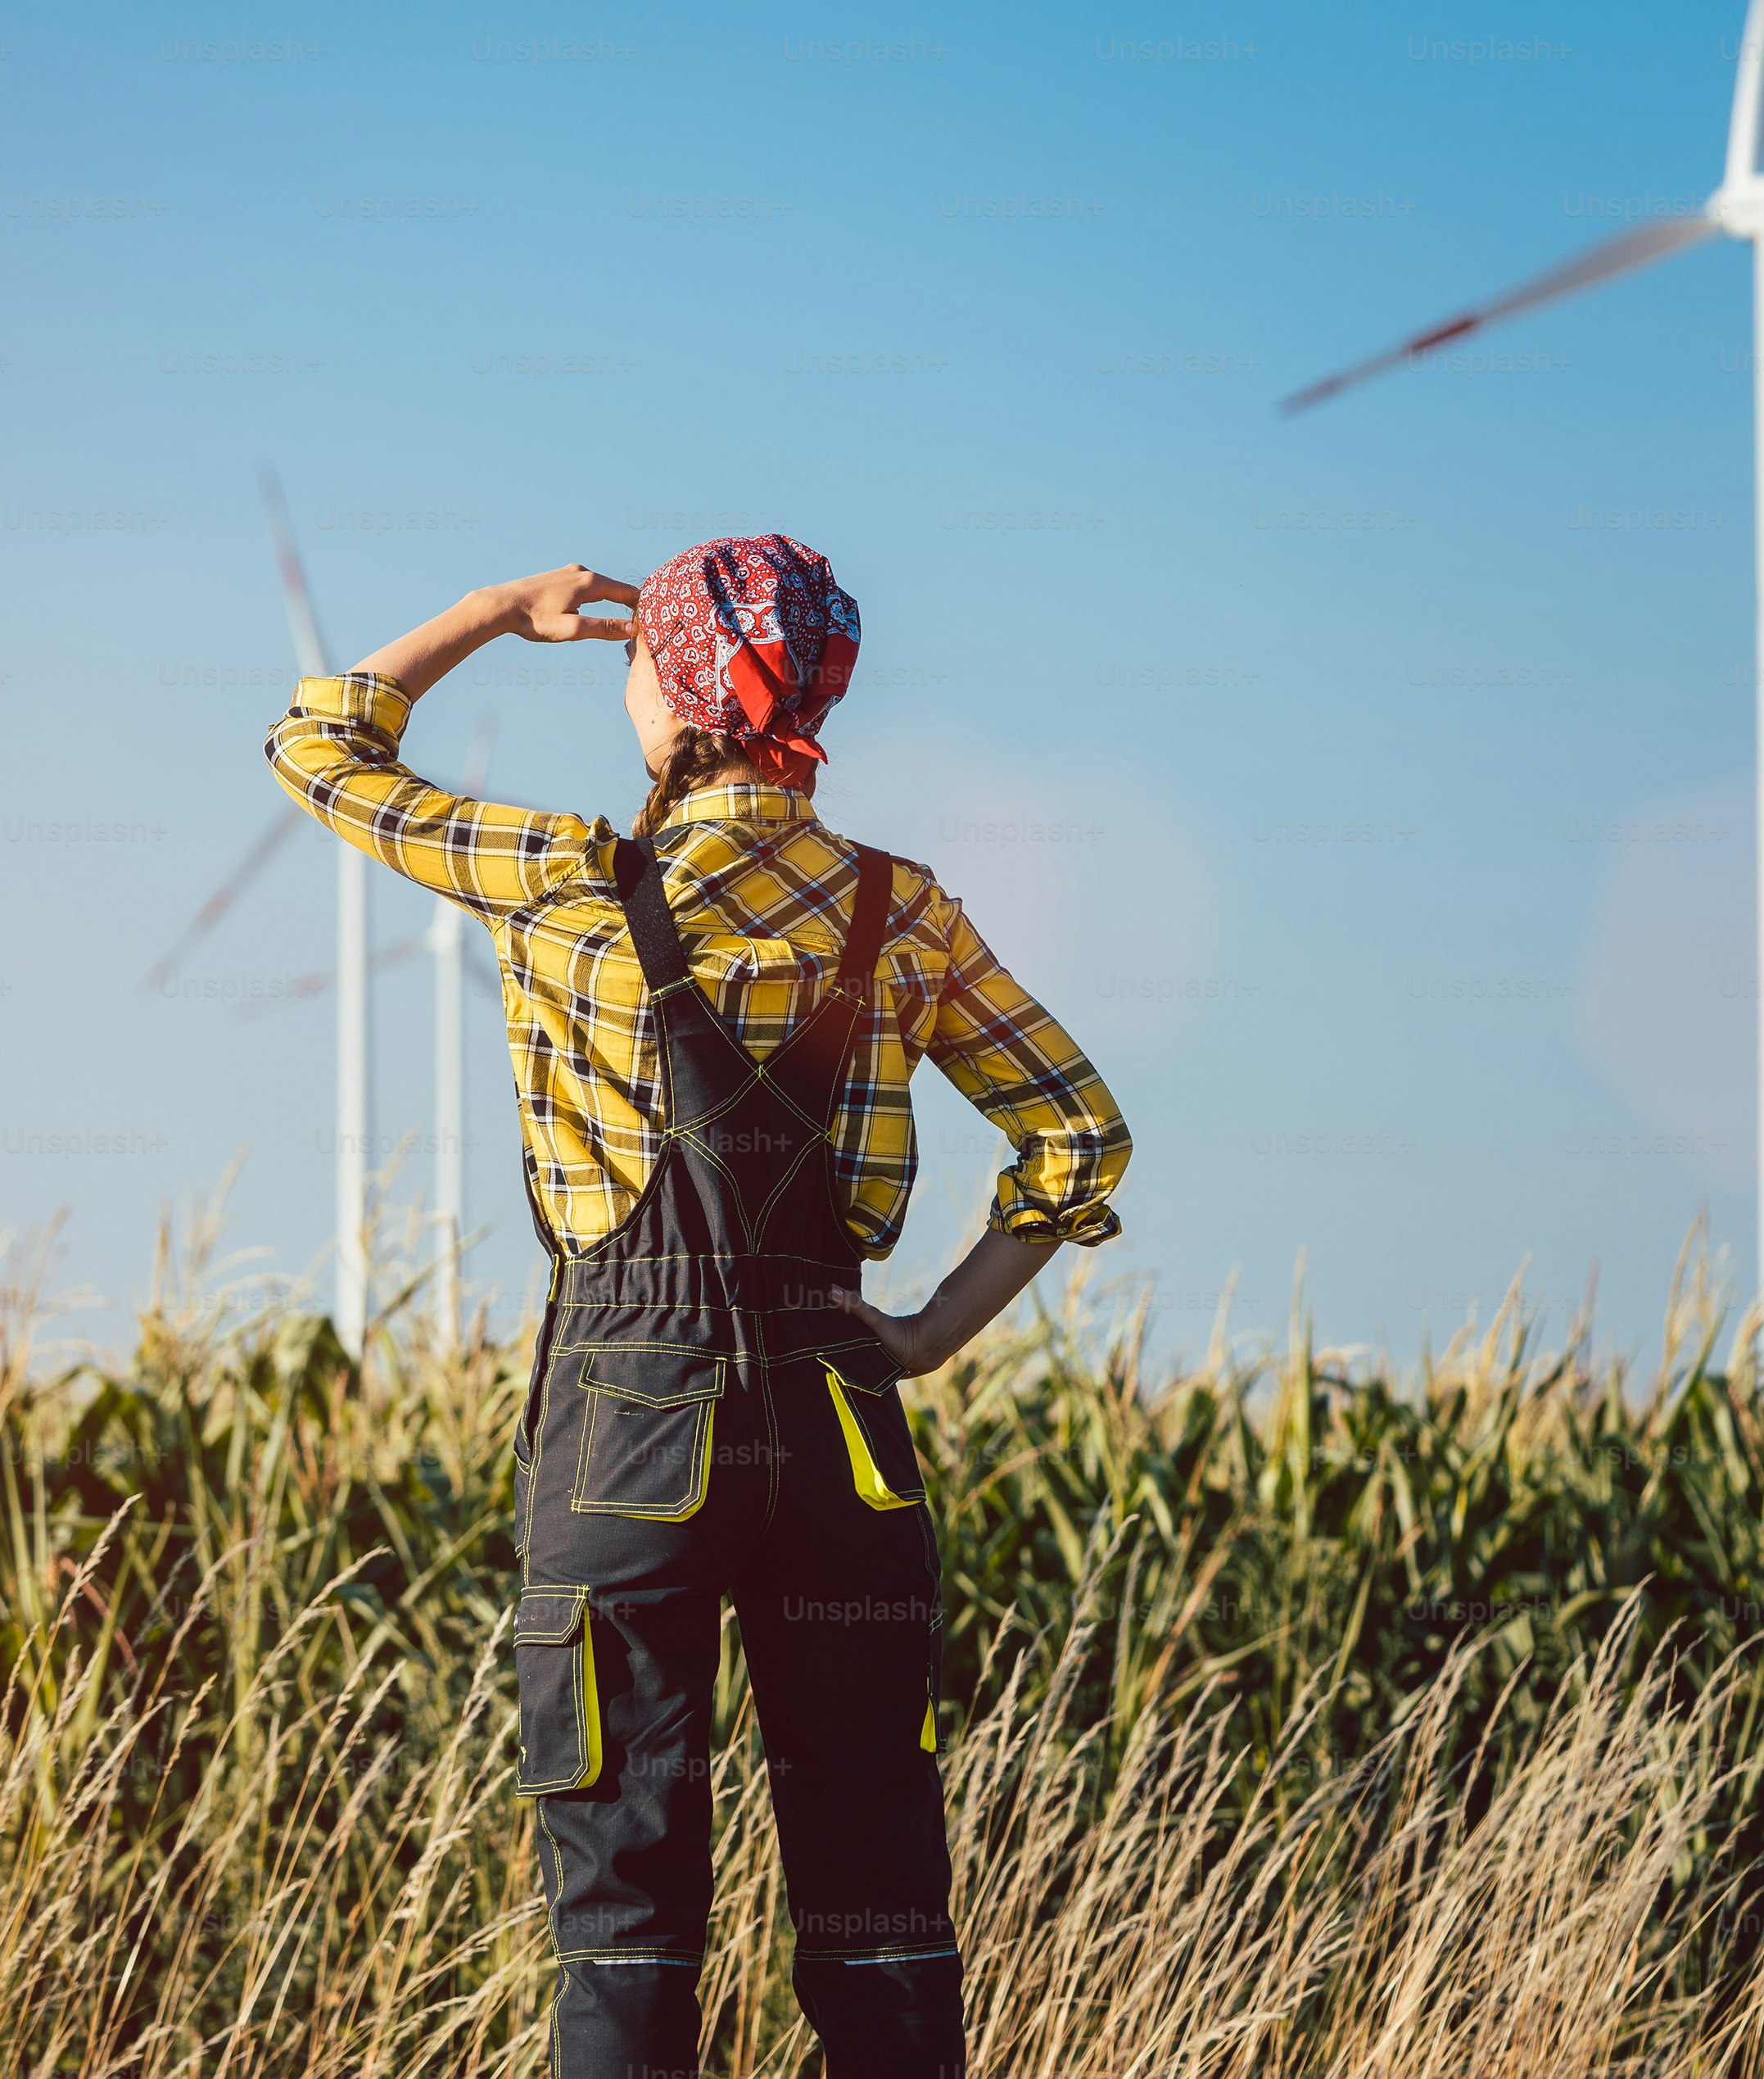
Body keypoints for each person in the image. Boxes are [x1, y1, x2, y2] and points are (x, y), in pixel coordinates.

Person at [262, 537, 1131, 2078]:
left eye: (627, 665)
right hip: (842, 1425)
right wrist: (927, 1333)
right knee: (880, 1914)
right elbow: (1077, 1133)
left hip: (626, 1424)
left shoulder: (560, 877)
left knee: (629, 1930)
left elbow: (318, 745)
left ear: (670, 686)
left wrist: (487, 610)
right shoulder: (901, 910)